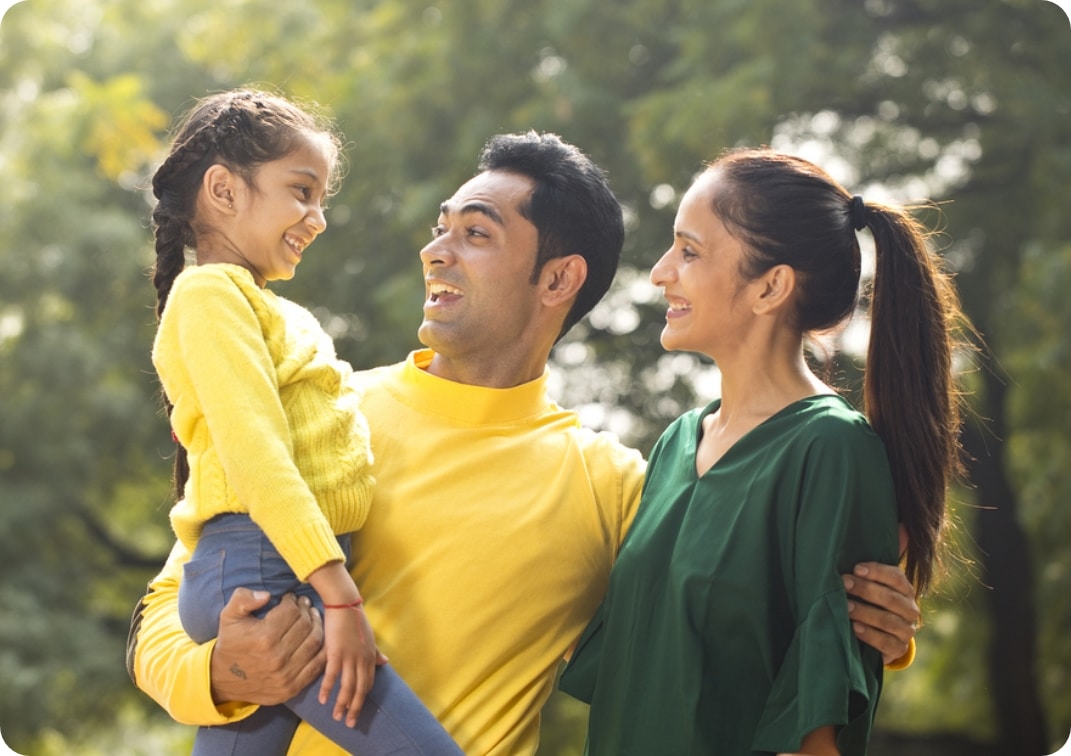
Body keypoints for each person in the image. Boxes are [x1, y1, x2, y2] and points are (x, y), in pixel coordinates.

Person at [128, 132, 923, 756]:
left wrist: (868, 630)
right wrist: (216, 673)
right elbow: (167, 606)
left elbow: (711, 610)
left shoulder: (614, 486)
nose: (434, 251)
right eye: (440, 229)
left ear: (557, 281)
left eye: (475, 233)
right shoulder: (326, 410)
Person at [559, 148, 966, 755]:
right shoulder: (678, 443)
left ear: (771, 286)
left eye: (690, 251)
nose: (660, 272)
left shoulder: (830, 449)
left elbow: (816, 725)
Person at [144, 88, 461, 755]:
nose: (315, 218)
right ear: (224, 191)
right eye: (300, 191)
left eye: (321, 200)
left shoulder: (273, 311)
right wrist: (339, 599)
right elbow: (257, 454)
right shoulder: (207, 295)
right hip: (261, 571)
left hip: (271, 566)